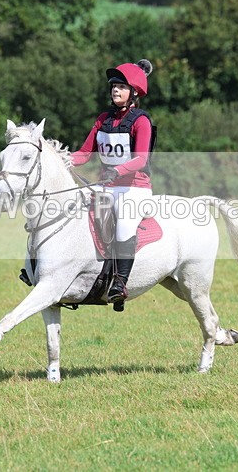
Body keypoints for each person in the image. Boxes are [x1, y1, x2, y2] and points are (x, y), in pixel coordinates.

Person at [71, 59, 156, 310]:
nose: (115, 90)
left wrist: (117, 170)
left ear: (135, 93)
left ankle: (120, 282)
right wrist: (62, 158)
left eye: (121, 87)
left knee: (124, 223)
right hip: (107, 186)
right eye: (113, 87)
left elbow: (141, 159)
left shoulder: (141, 121)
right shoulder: (103, 119)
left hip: (135, 188)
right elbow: (85, 153)